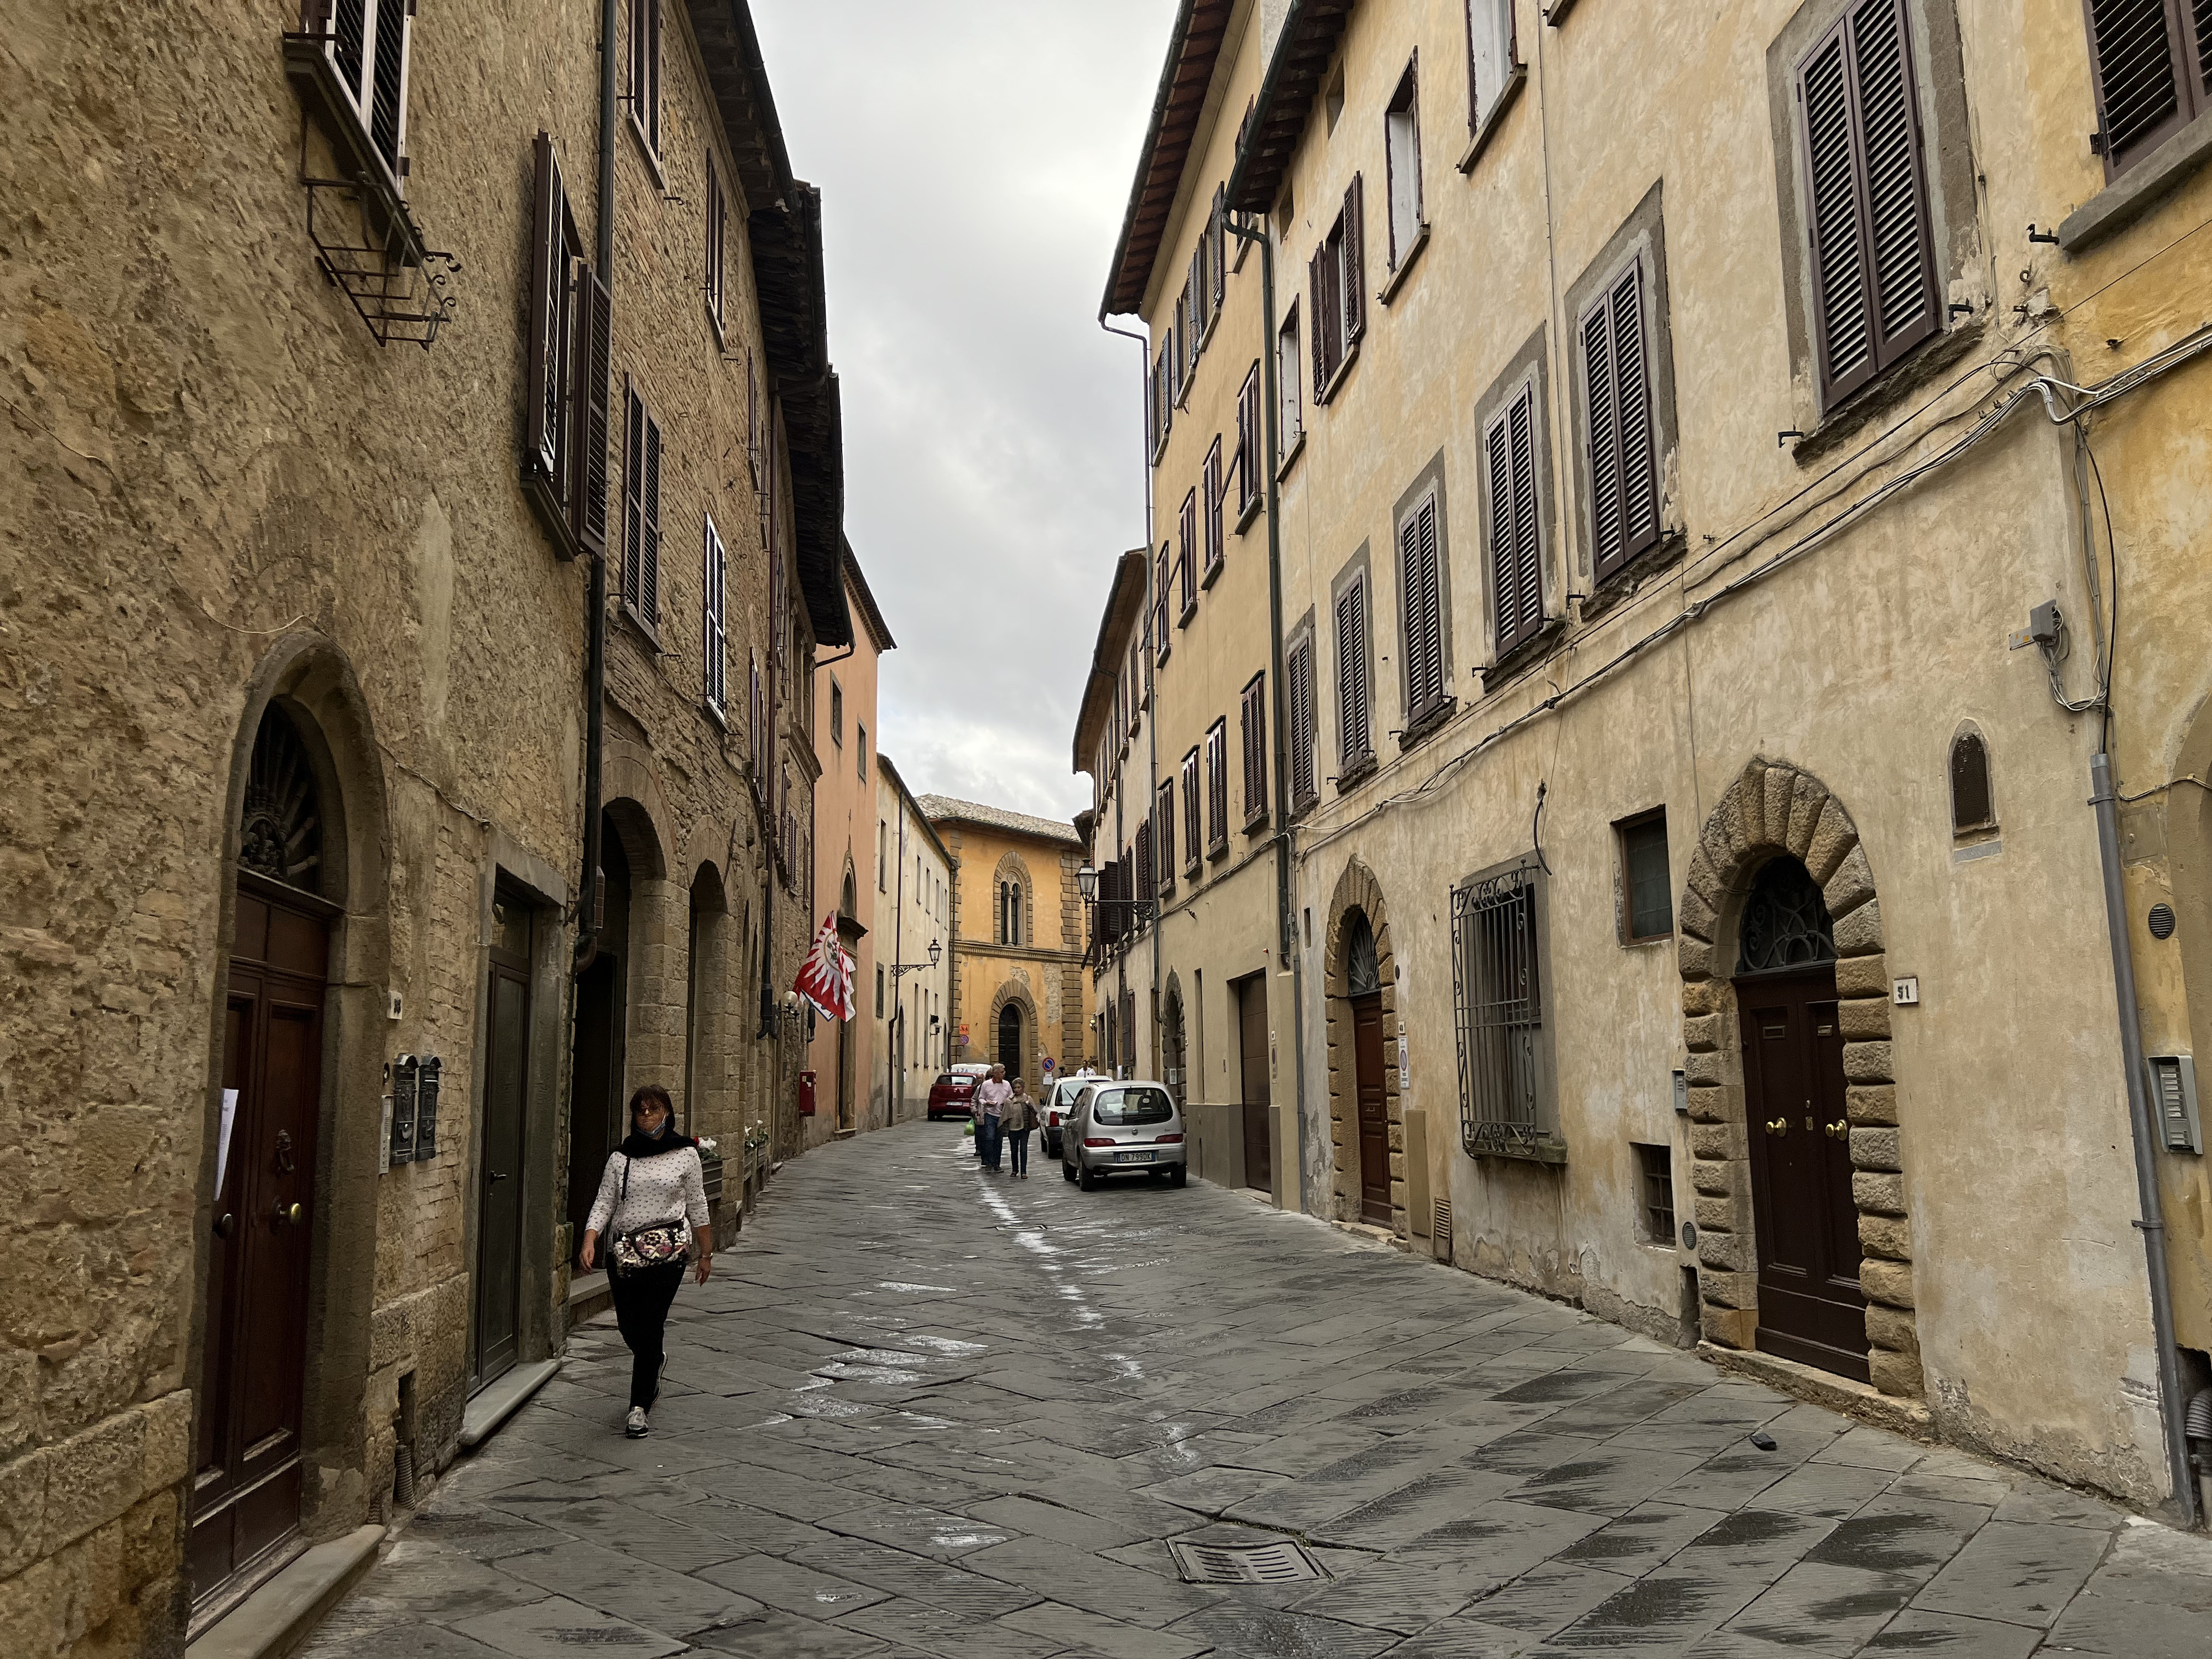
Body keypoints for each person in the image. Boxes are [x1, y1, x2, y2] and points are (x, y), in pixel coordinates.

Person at [578, 1084, 711, 1438]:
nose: (647, 1116)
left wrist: (706, 1253)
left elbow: (698, 1203)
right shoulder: (621, 1158)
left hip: (670, 1255)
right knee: (629, 1326)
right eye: (641, 1111)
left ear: (667, 1112)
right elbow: (604, 1201)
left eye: (654, 1110)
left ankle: (638, 1407)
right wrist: (590, 1240)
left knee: (651, 1325)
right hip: (624, 1257)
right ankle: (653, 1362)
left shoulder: (685, 1154)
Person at [974, 1063, 1012, 1171]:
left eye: (1004, 1072)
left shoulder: (1007, 1085)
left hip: (1002, 1116)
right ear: (995, 1074)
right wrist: (987, 1103)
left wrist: (1007, 1102)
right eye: (1002, 1072)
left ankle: (997, 1164)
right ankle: (988, 1160)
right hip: (990, 1114)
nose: (1004, 1074)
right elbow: (980, 1099)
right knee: (990, 1138)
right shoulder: (986, 1085)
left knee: (998, 1140)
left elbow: (1011, 1097)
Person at [1006, 1082, 1037, 1178]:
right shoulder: (1009, 1100)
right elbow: (1005, 1115)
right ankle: (1015, 1170)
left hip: (1025, 1128)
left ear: (1023, 1088)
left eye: (1019, 1087)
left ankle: (1024, 1172)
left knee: (1023, 1149)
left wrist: (1029, 1106)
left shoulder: (1028, 1099)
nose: (1017, 1089)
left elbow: (1035, 1111)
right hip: (1012, 1128)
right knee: (1014, 1150)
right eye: (1015, 1087)